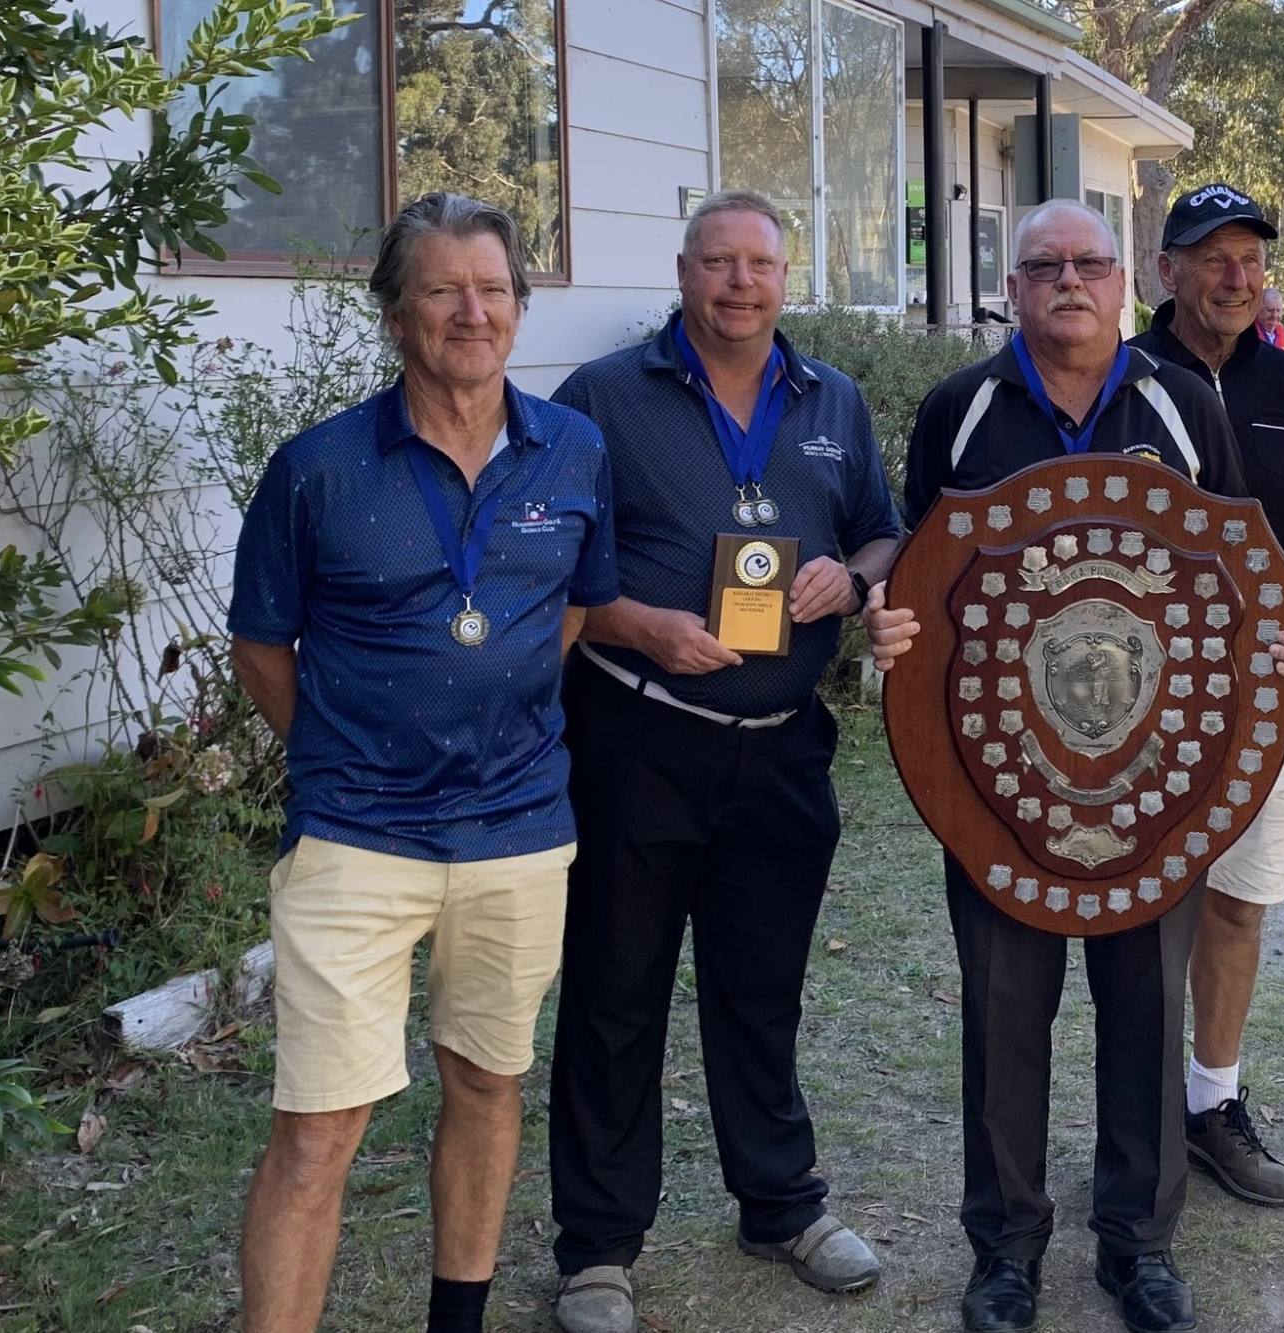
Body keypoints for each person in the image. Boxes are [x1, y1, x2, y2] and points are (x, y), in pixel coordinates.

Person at [863, 198, 1284, 1333]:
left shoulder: (1181, 401)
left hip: (1156, 778)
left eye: (1087, 263)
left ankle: (1139, 1246)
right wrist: (890, 625)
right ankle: (1005, 1252)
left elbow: (1240, 567)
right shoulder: (959, 412)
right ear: (1009, 290)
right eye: (1042, 266)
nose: (1067, 281)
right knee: (1000, 1019)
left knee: (1141, 1009)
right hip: (995, 780)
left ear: (1123, 282)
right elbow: (920, 570)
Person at [228, 193, 619, 1333]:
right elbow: (262, 647)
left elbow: (570, 616)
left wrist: (492, 716)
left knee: (488, 1083)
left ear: (518, 306)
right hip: (357, 836)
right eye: (442, 288)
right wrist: (346, 753)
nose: (470, 311)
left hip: (518, 831)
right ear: (395, 311)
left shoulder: (573, 450)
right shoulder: (318, 469)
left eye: (492, 289)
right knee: (316, 1125)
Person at [543, 189, 901, 1333]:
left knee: (761, 990)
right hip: (638, 741)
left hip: (782, 753)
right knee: (614, 990)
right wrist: (639, 623)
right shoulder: (601, 398)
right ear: (683, 271)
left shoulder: (831, 399)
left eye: (759, 264)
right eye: (717, 262)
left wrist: (850, 577)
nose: (738, 283)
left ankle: (779, 1203)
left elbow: (884, 530)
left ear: (785, 277)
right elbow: (547, 571)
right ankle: (600, 1249)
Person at [1129, 182, 1284, 1210]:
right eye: (1212, 257)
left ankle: (1211, 1103)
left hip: (1273, 697)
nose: (1234, 277)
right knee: (1147, 911)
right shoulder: (1118, 381)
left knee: (1240, 903)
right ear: (1166, 271)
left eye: (1249, 258)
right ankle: (1136, 1123)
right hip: (1144, 710)